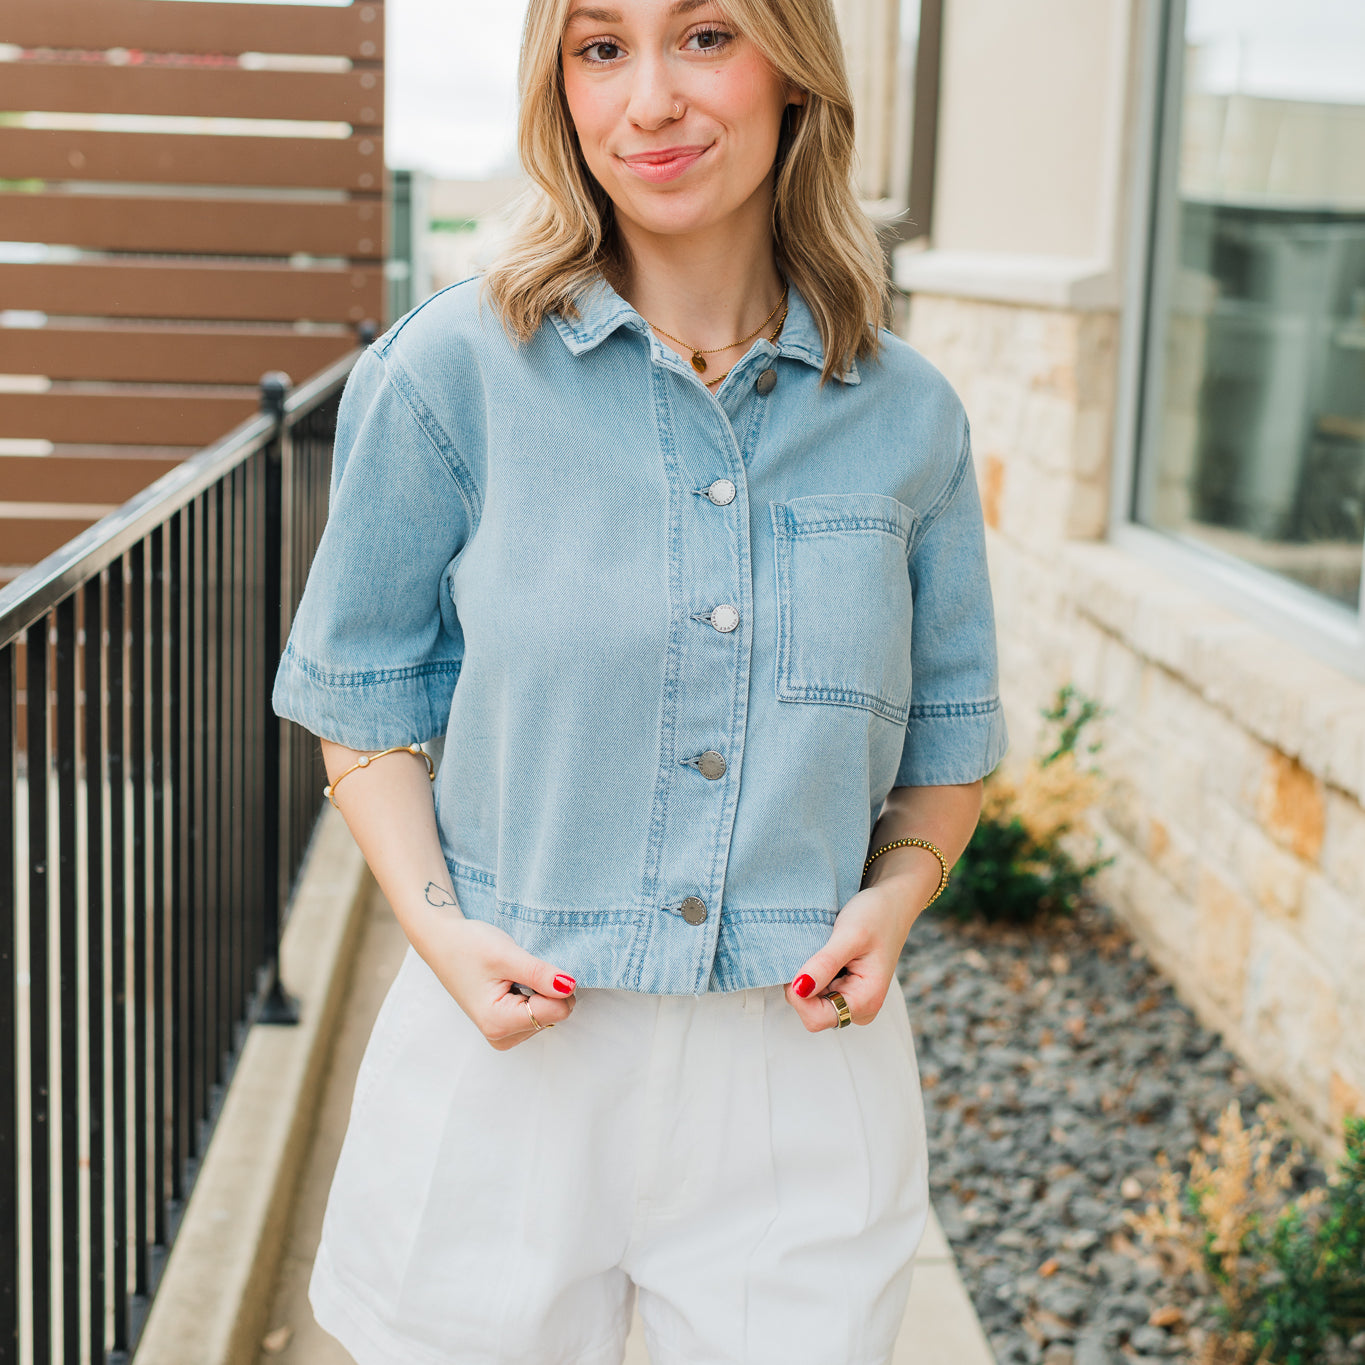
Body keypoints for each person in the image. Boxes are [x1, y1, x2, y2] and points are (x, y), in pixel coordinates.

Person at [270, 0, 1008, 1360]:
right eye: (600, 47)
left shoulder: (906, 414)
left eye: (706, 37)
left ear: (794, 71)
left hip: (799, 1078)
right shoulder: (450, 375)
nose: (649, 99)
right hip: (511, 1054)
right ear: (560, 89)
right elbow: (358, 700)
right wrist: (441, 929)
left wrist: (896, 898)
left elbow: (947, 737)